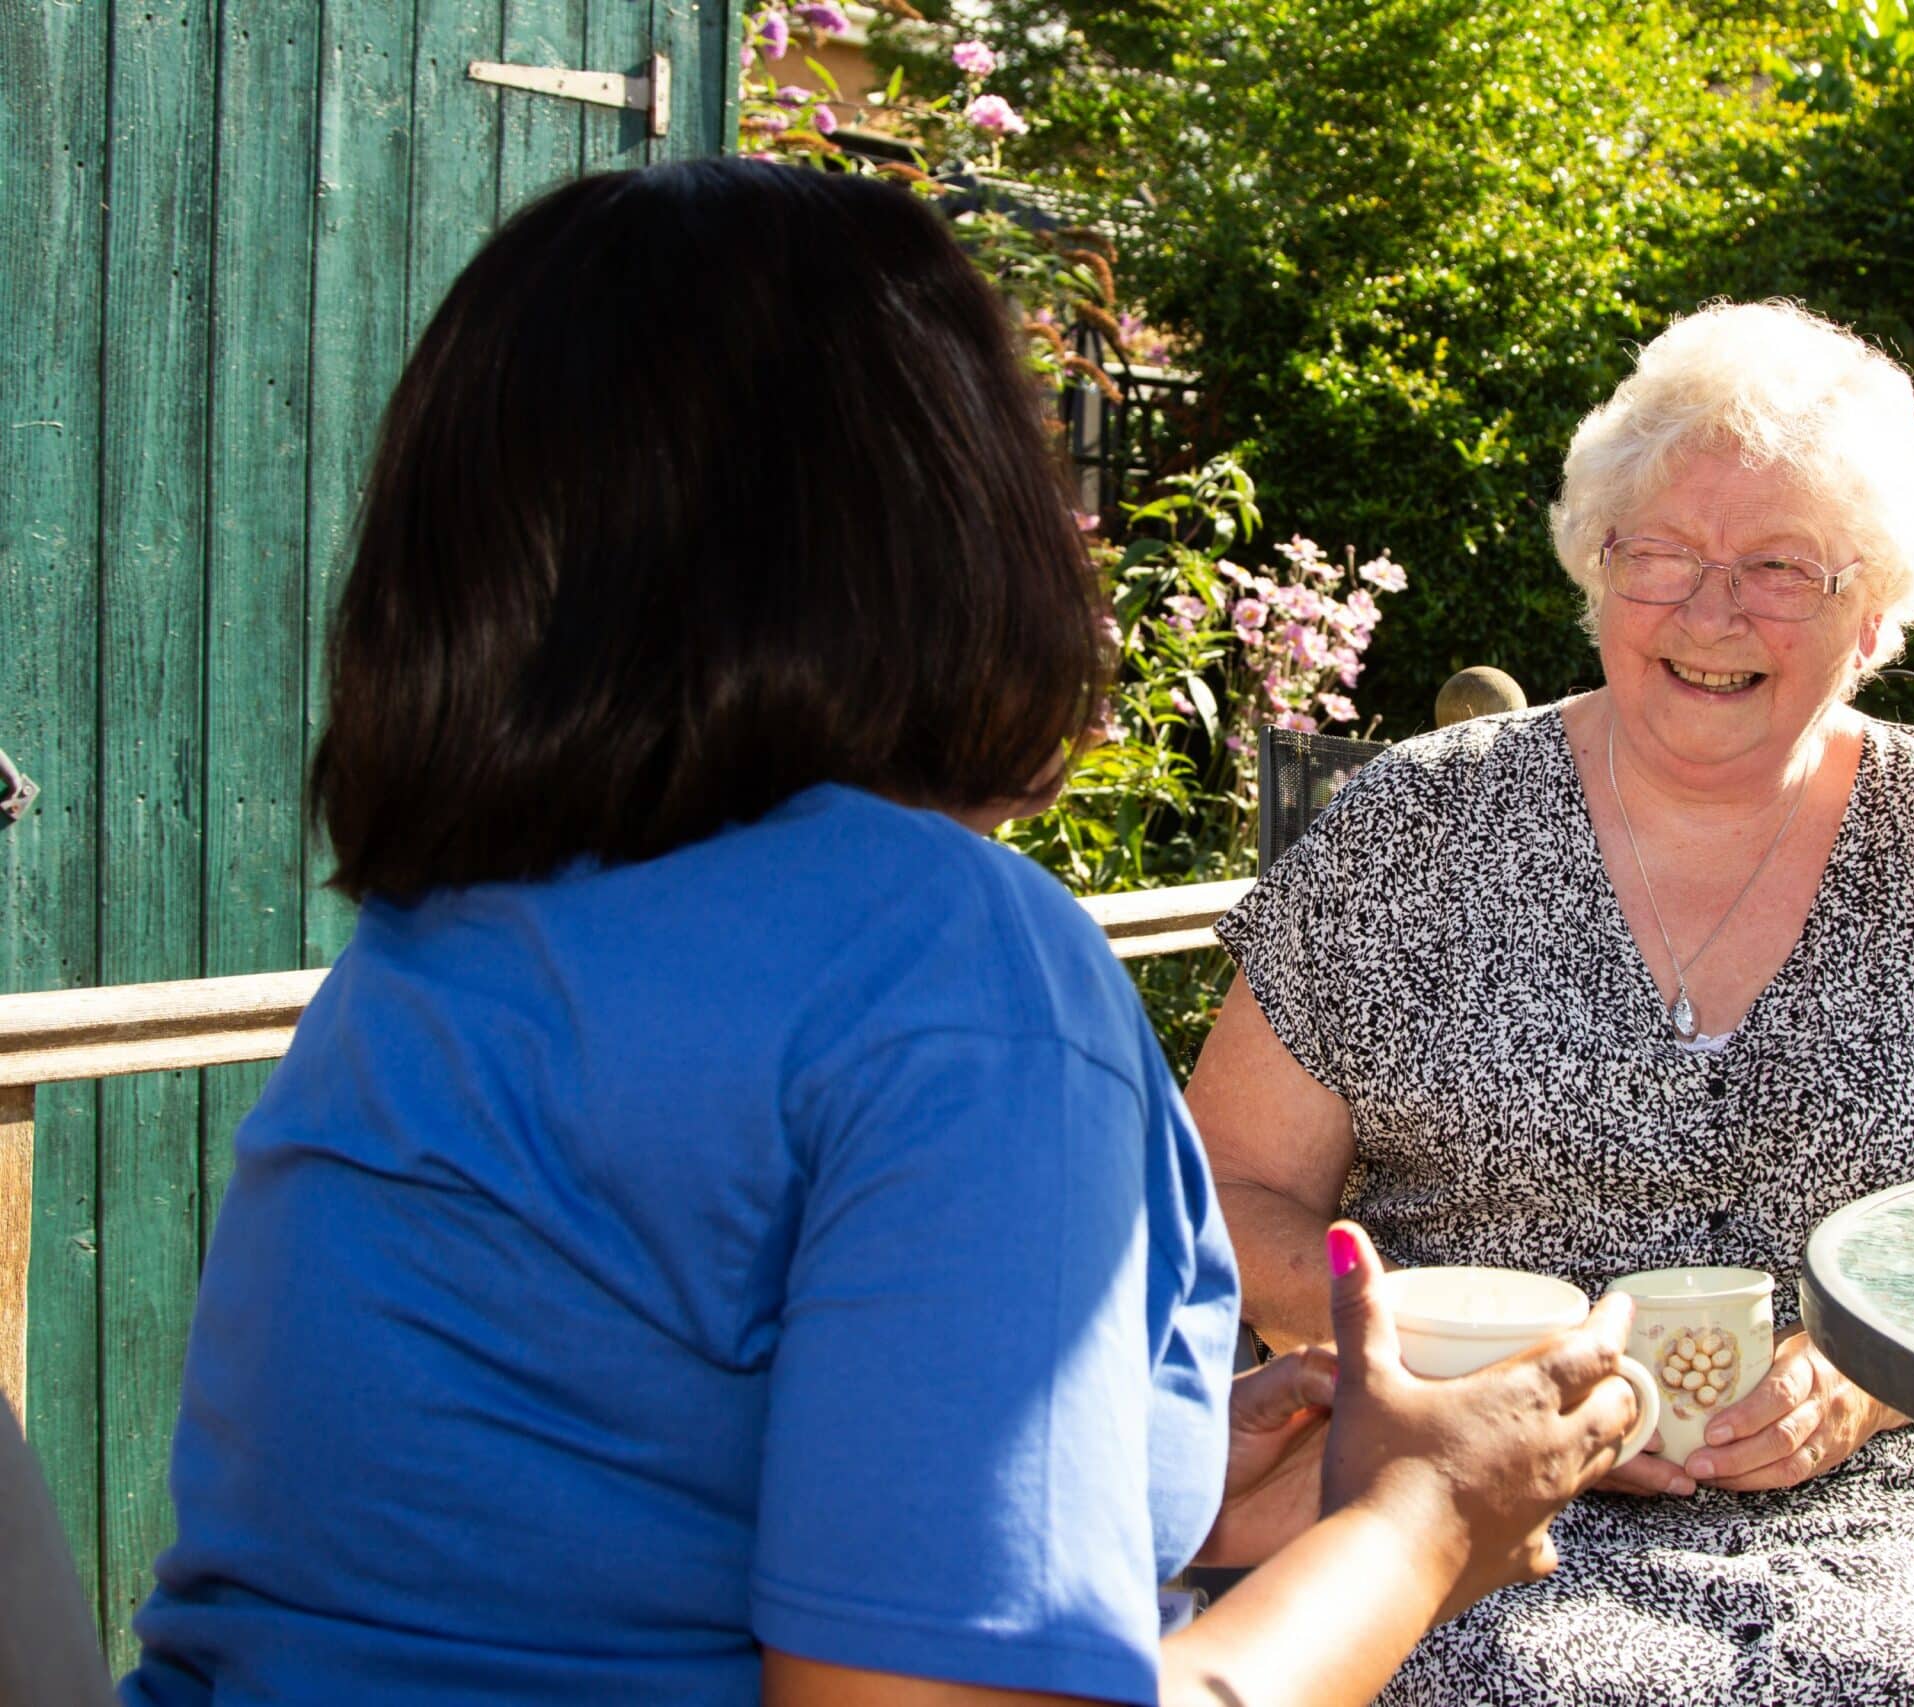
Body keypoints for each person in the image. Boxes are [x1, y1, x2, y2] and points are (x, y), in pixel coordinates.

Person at [119, 161, 1648, 1707]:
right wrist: (1420, 1525)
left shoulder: (448, 933)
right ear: (940, 524)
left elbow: (591, 1515)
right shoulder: (950, 969)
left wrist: (1156, 1493)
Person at [1192, 300, 1914, 1705]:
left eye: (1780, 567)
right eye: (1665, 556)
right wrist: (1437, 1360)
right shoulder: (1419, 831)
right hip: (1454, 1502)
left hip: (1862, 1522)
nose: (1712, 613)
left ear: (1874, 609)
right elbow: (1224, 1185)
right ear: (1597, 565)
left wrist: (1867, 1378)